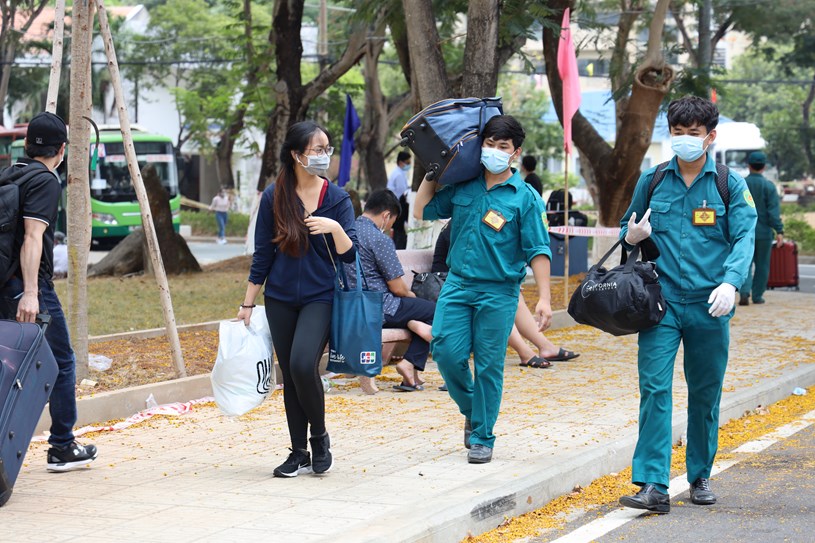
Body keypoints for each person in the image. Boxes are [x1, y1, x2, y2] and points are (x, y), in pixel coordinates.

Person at [617, 96, 757, 513]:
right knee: (655, 388)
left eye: (692, 135)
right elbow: (629, 225)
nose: (683, 142)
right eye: (676, 134)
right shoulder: (654, 179)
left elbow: (744, 237)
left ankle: (699, 475)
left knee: (705, 392)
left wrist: (732, 284)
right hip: (659, 304)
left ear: (710, 137)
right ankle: (653, 484)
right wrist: (633, 236)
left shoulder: (729, 184)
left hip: (710, 304)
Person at [414, 114, 553, 464]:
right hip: (458, 284)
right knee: (445, 350)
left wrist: (545, 300)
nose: (493, 150)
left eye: (501, 146)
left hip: (499, 291)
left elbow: (538, 250)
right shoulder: (465, 185)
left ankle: (483, 436)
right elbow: (422, 211)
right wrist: (434, 170)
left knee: (490, 365)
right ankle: (475, 411)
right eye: (488, 144)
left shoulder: (525, 198)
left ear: (515, 153)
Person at [237, 121, 357, 478]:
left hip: (321, 297)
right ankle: (298, 451)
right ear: (296, 155)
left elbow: (350, 255)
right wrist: (247, 303)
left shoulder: (337, 199)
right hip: (280, 298)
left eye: (326, 149)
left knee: (304, 365)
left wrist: (334, 228)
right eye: (316, 150)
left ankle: (319, 438)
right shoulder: (275, 196)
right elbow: (263, 255)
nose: (324, 156)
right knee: (290, 375)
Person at [0, 112, 98, 472]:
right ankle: (61, 446)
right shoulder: (45, 181)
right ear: (61, 150)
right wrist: (30, 293)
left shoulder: (11, 174)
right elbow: (31, 238)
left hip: (3, 282)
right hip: (28, 286)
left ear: (27, 145)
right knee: (61, 361)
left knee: (8, 364)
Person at [432, 221, 578, 371]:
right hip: (448, 284)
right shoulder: (463, 223)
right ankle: (526, 352)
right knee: (499, 297)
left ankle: (544, 346)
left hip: (472, 282)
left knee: (510, 295)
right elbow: (472, 261)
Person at [346, 189, 434, 393]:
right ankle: (409, 363)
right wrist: (412, 296)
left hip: (349, 306)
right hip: (381, 307)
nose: (389, 227)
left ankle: (413, 327)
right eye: (392, 222)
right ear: (386, 215)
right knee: (436, 311)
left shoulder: (346, 231)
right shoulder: (379, 239)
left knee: (420, 313)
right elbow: (397, 287)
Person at [739, 151, 783, 306]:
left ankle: (744, 292)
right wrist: (779, 230)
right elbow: (773, 212)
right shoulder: (769, 187)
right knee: (762, 265)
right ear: (764, 167)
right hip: (764, 233)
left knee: (744, 263)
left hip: (743, 232)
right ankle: (757, 296)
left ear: (749, 166)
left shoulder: (740, 184)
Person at [387, 151, 412, 250]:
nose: (409, 165)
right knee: (399, 231)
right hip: (398, 204)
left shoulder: (397, 172)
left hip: (395, 203)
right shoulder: (399, 175)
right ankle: (399, 249)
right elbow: (403, 192)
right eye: (408, 162)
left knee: (398, 230)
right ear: (401, 162)